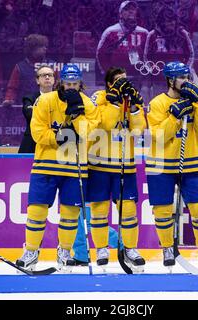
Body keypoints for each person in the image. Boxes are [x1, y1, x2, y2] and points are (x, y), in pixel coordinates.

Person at [15, 64, 99, 272]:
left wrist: (77, 113)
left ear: (80, 83)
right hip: (46, 165)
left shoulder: (87, 104)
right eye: (68, 83)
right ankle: (31, 251)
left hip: (74, 167)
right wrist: (60, 138)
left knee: (70, 213)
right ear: (61, 82)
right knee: (36, 210)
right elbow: (37, 133)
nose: (71, 87)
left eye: (75, 84)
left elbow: (89, 132)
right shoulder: (45, 100)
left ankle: (65, 251)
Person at [146, 61, 198, 272]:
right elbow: (159, 136)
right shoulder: (157, 103)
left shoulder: (196, 100)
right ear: (170, 80)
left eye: (187, 77)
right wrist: (174, 115)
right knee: (162, 209)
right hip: (160, 164)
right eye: (181, 78)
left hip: (190, 162)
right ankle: (167, 248)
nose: (186, 82)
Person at [83, 66, 147, 272]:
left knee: (128, 210)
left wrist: (134, 108)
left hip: (124, 164)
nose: (123, 83)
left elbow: (138, 130)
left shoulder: (130, 101)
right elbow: (105, 123)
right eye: (118, 80)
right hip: (99, 164)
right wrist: (113, 101)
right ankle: (102, 249)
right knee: (99, 210)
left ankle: (130, 249)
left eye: (125, 79)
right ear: (110, 83)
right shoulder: (99, 98)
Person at [96, 1, 149, 78]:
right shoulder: (110, 32)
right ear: (120, 14)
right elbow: (100, 54)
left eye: (133, 9)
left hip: (138, 77)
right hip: (117, 77)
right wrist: (109, 74)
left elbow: (150, 55)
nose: (131, 11)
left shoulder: (144, 33)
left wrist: (146, 74)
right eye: (126, 9)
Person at [3, 34, 51, 107]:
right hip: (25, 109)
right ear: (32, 49)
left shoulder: (52, 66)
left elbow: (57, 88)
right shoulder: (19, 67)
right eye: (41, 46)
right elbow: (12, 88)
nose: (45, 48)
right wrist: (9, 99)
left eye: (45, 46)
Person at [18, 65, 55, 153]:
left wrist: (37, 110)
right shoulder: (29, 98)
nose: (47, 77)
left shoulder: (60, 98)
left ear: (54, 79)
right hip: (31, 143)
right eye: (43, 75)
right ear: (37, 80)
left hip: (54, 142)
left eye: (50, 75)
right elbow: (30, 115)